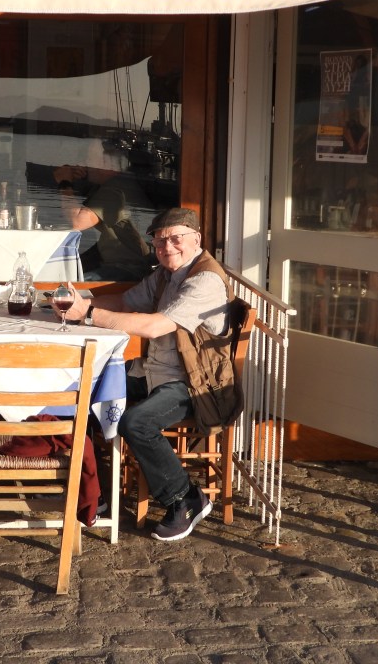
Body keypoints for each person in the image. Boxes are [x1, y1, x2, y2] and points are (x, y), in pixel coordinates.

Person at [54, 207, 238, 541]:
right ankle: (100, 491)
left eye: (176, 238)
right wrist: (78, 300)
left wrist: (90, 314)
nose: (167, 247)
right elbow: (126, 302)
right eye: (160, 241)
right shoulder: (167, 274)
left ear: (196, 239)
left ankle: (185, 498)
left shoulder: (205, 279)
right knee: (86, 393)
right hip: (153, 372)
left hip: (193, 384)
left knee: (136, 422)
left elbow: (154, 327)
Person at [53, 164, 152, 281]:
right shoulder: (117, 184)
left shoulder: (113, 189)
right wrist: (82, 179)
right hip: (122, 263)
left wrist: (65, 182)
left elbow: (77, 222)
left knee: (65, 287)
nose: (85, 165)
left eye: (90, 160)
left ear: (107, 164)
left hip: (127, 269)